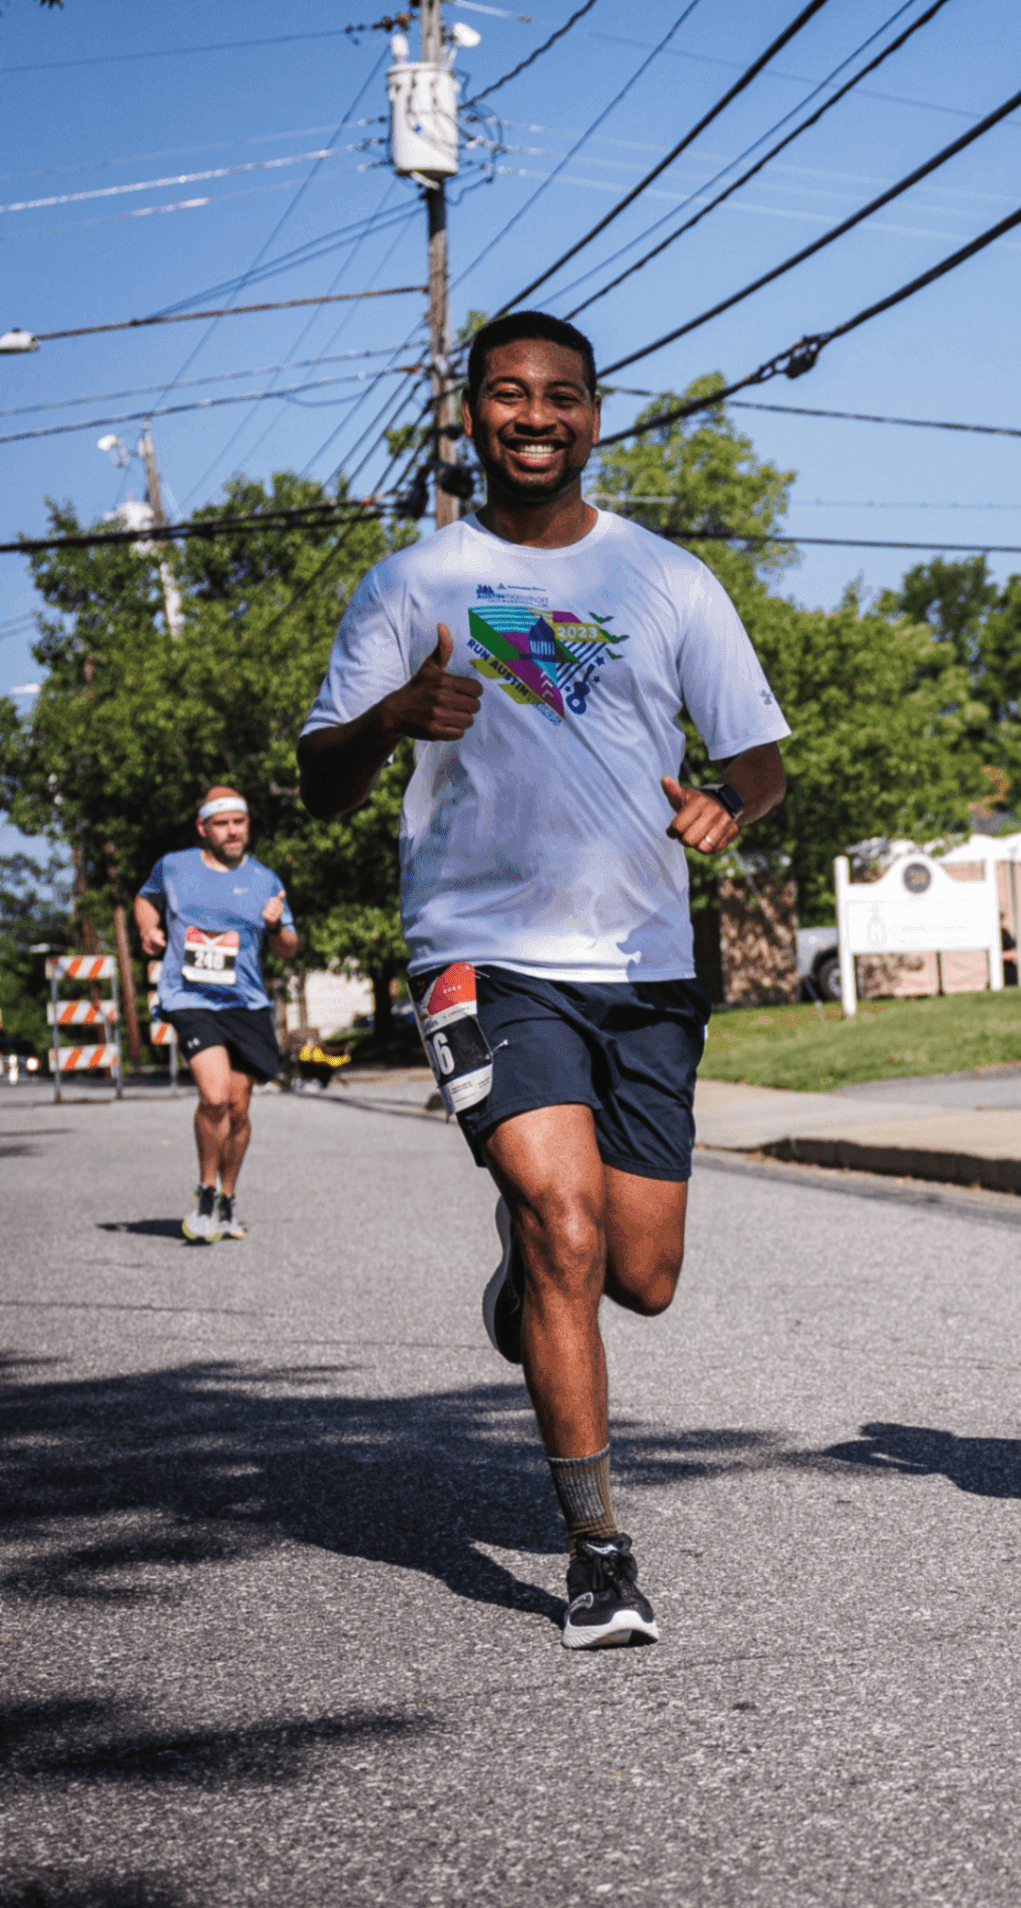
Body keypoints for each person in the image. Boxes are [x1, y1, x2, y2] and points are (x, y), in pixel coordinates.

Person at [297, 311, 790, 1647]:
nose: (534, 416)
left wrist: (728, 805)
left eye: (560, 395)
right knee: (565, 1223)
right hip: (483, 949)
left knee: (641, 1272)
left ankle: (522, 1288)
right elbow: (321, 775)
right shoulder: (414, 583)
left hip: (642, 962)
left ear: (593, 415)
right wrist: (392, 717)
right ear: (469, 415)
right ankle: (598, 1554)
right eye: (508, 394)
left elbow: (757, 759)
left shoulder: (666, 578)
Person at [134, 787, 297, 1242]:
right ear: (203, 828)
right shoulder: (174, 866)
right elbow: (145, 898)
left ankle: (228, 1198)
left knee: (239, 1111)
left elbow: (287, 948)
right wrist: (148, 926)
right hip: (189, 997)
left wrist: (276, 925)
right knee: (215, 1096)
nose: (232, 831)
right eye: (221, 824)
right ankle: (206, 1191)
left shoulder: (265, 879)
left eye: (238, 822)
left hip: (245, 1003)